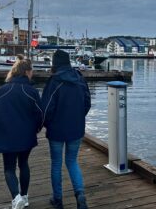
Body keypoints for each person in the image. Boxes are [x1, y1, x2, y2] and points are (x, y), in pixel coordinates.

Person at [0, 55, 43, 209]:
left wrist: (0, 118)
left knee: (9, 168)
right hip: (27, 134)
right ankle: (24, 196)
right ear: (27, 72)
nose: (32, 74)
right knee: (24, 164)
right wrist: (36, 128)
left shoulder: (4, 90)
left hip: (7, 134)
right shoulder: (31, 91)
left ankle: (16, 198)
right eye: (31, 71)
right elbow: (41, 114)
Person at [42, 50, 91, 209]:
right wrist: (78, 118)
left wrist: (46, 124)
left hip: (56, 130)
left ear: (55, 64)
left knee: (56, 164)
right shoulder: (79, 78)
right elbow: (87, 103)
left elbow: (46, 108)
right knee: (72, 161)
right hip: (76, 129)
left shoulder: (54, 81)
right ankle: (80, 194)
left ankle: (58, 200)